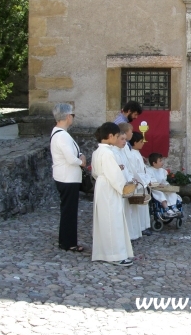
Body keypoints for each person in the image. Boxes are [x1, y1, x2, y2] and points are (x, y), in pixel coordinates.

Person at [91, 122, 134, 266]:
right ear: (110, 136)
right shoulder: (108, 153)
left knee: (106, 220)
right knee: (112, 221)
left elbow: (95, 173)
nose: (117, 139)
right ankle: (115, 255)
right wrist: (124, 187)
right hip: (109, 187)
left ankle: (106, 252)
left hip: (102, 185)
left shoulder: (97, 152)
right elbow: (115, 175)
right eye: (116, 136)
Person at [50, 103, 86, 252]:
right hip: (67, 177)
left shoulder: (59, 133)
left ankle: (65, 240)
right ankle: (68, 242)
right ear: (67, 116)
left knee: (68, 210)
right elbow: (71, 159)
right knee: (69, 212)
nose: (73, 118)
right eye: (72, 115)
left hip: (65, 176)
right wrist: (82, 162)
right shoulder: (62, 135)